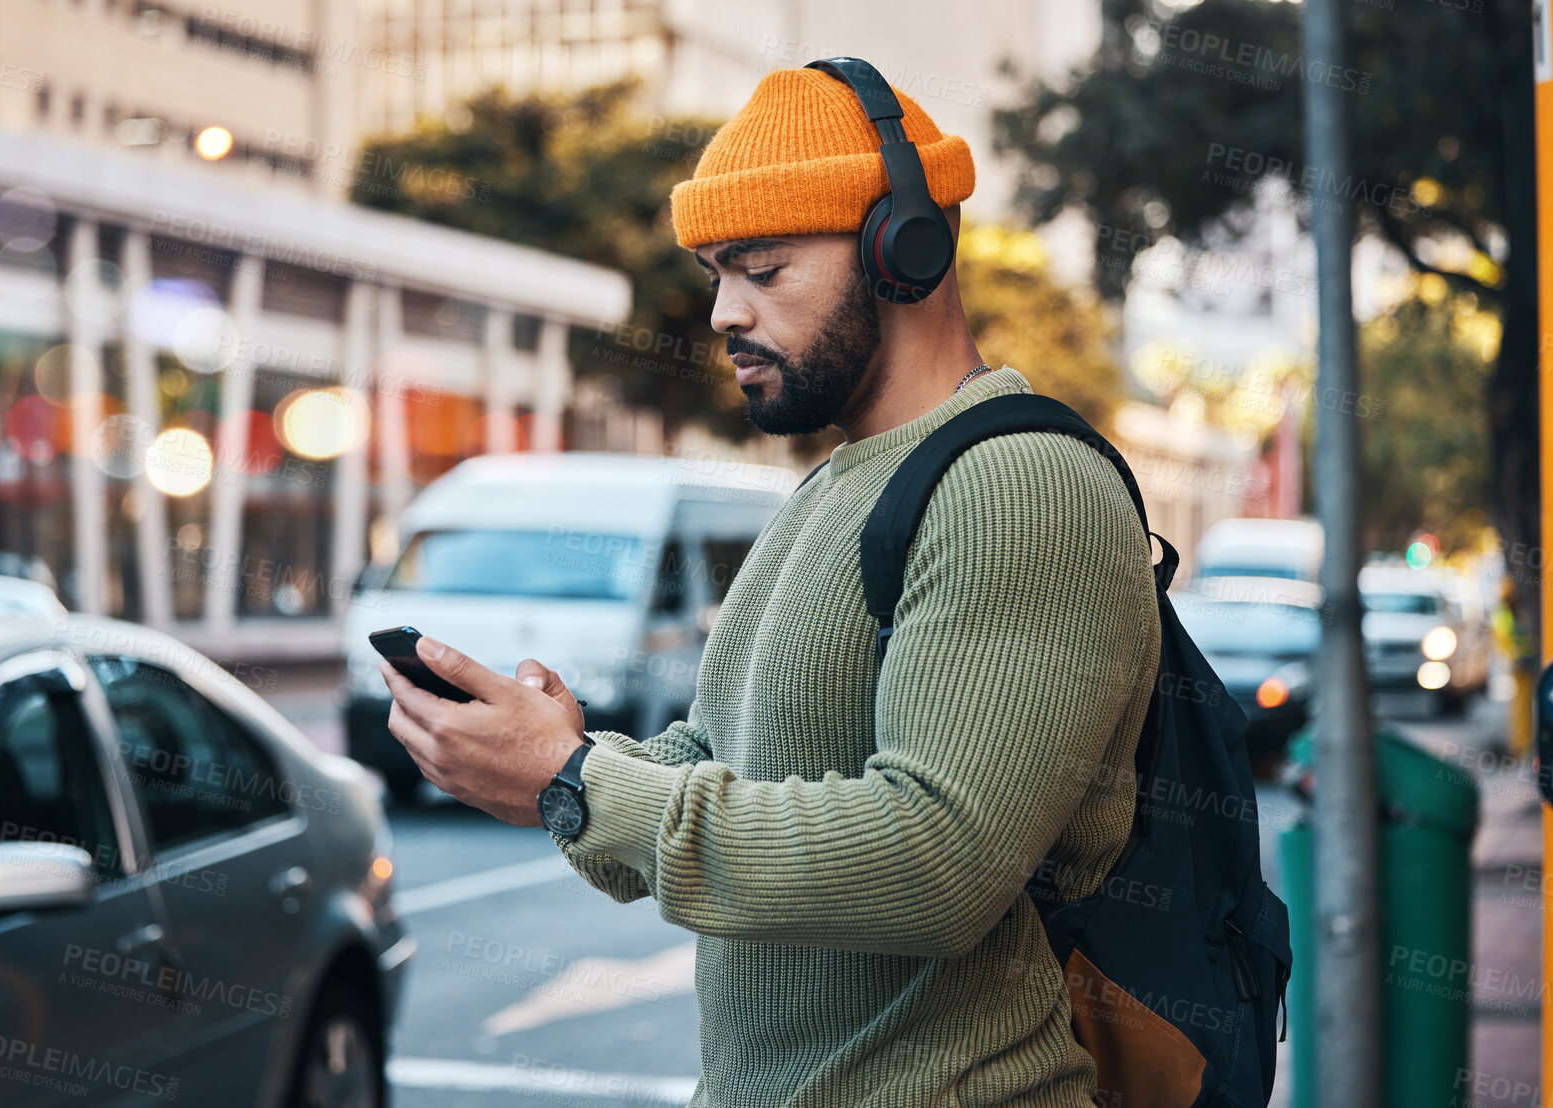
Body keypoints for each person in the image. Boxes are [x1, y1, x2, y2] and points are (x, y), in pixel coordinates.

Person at [377, 62, 1162, 1107]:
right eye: (713, 272)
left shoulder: (1020, 482)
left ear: (903, 250)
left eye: (761, 268)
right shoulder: (828, 488)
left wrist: (578, 784)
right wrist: (561, 759)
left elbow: (938, 861)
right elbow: (723, 759)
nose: (721, 312)